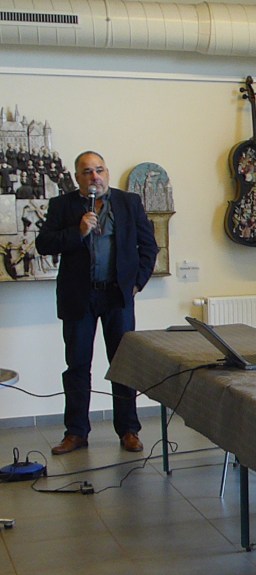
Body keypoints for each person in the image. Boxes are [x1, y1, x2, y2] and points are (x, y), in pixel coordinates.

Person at [37, 151, 158, 455]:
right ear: (77, 177)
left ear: (107, 172)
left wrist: (136, 283)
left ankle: (128, 430)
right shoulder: (62, 206)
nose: (95, 177)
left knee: (123, 364)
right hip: (79, 297)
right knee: (77, 365)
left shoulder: (128, 203)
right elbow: (44, 244)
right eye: (88, 172)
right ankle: (76, 432)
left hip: (117, 296)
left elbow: (149, 246)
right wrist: (77, 232)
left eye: (100, 170)